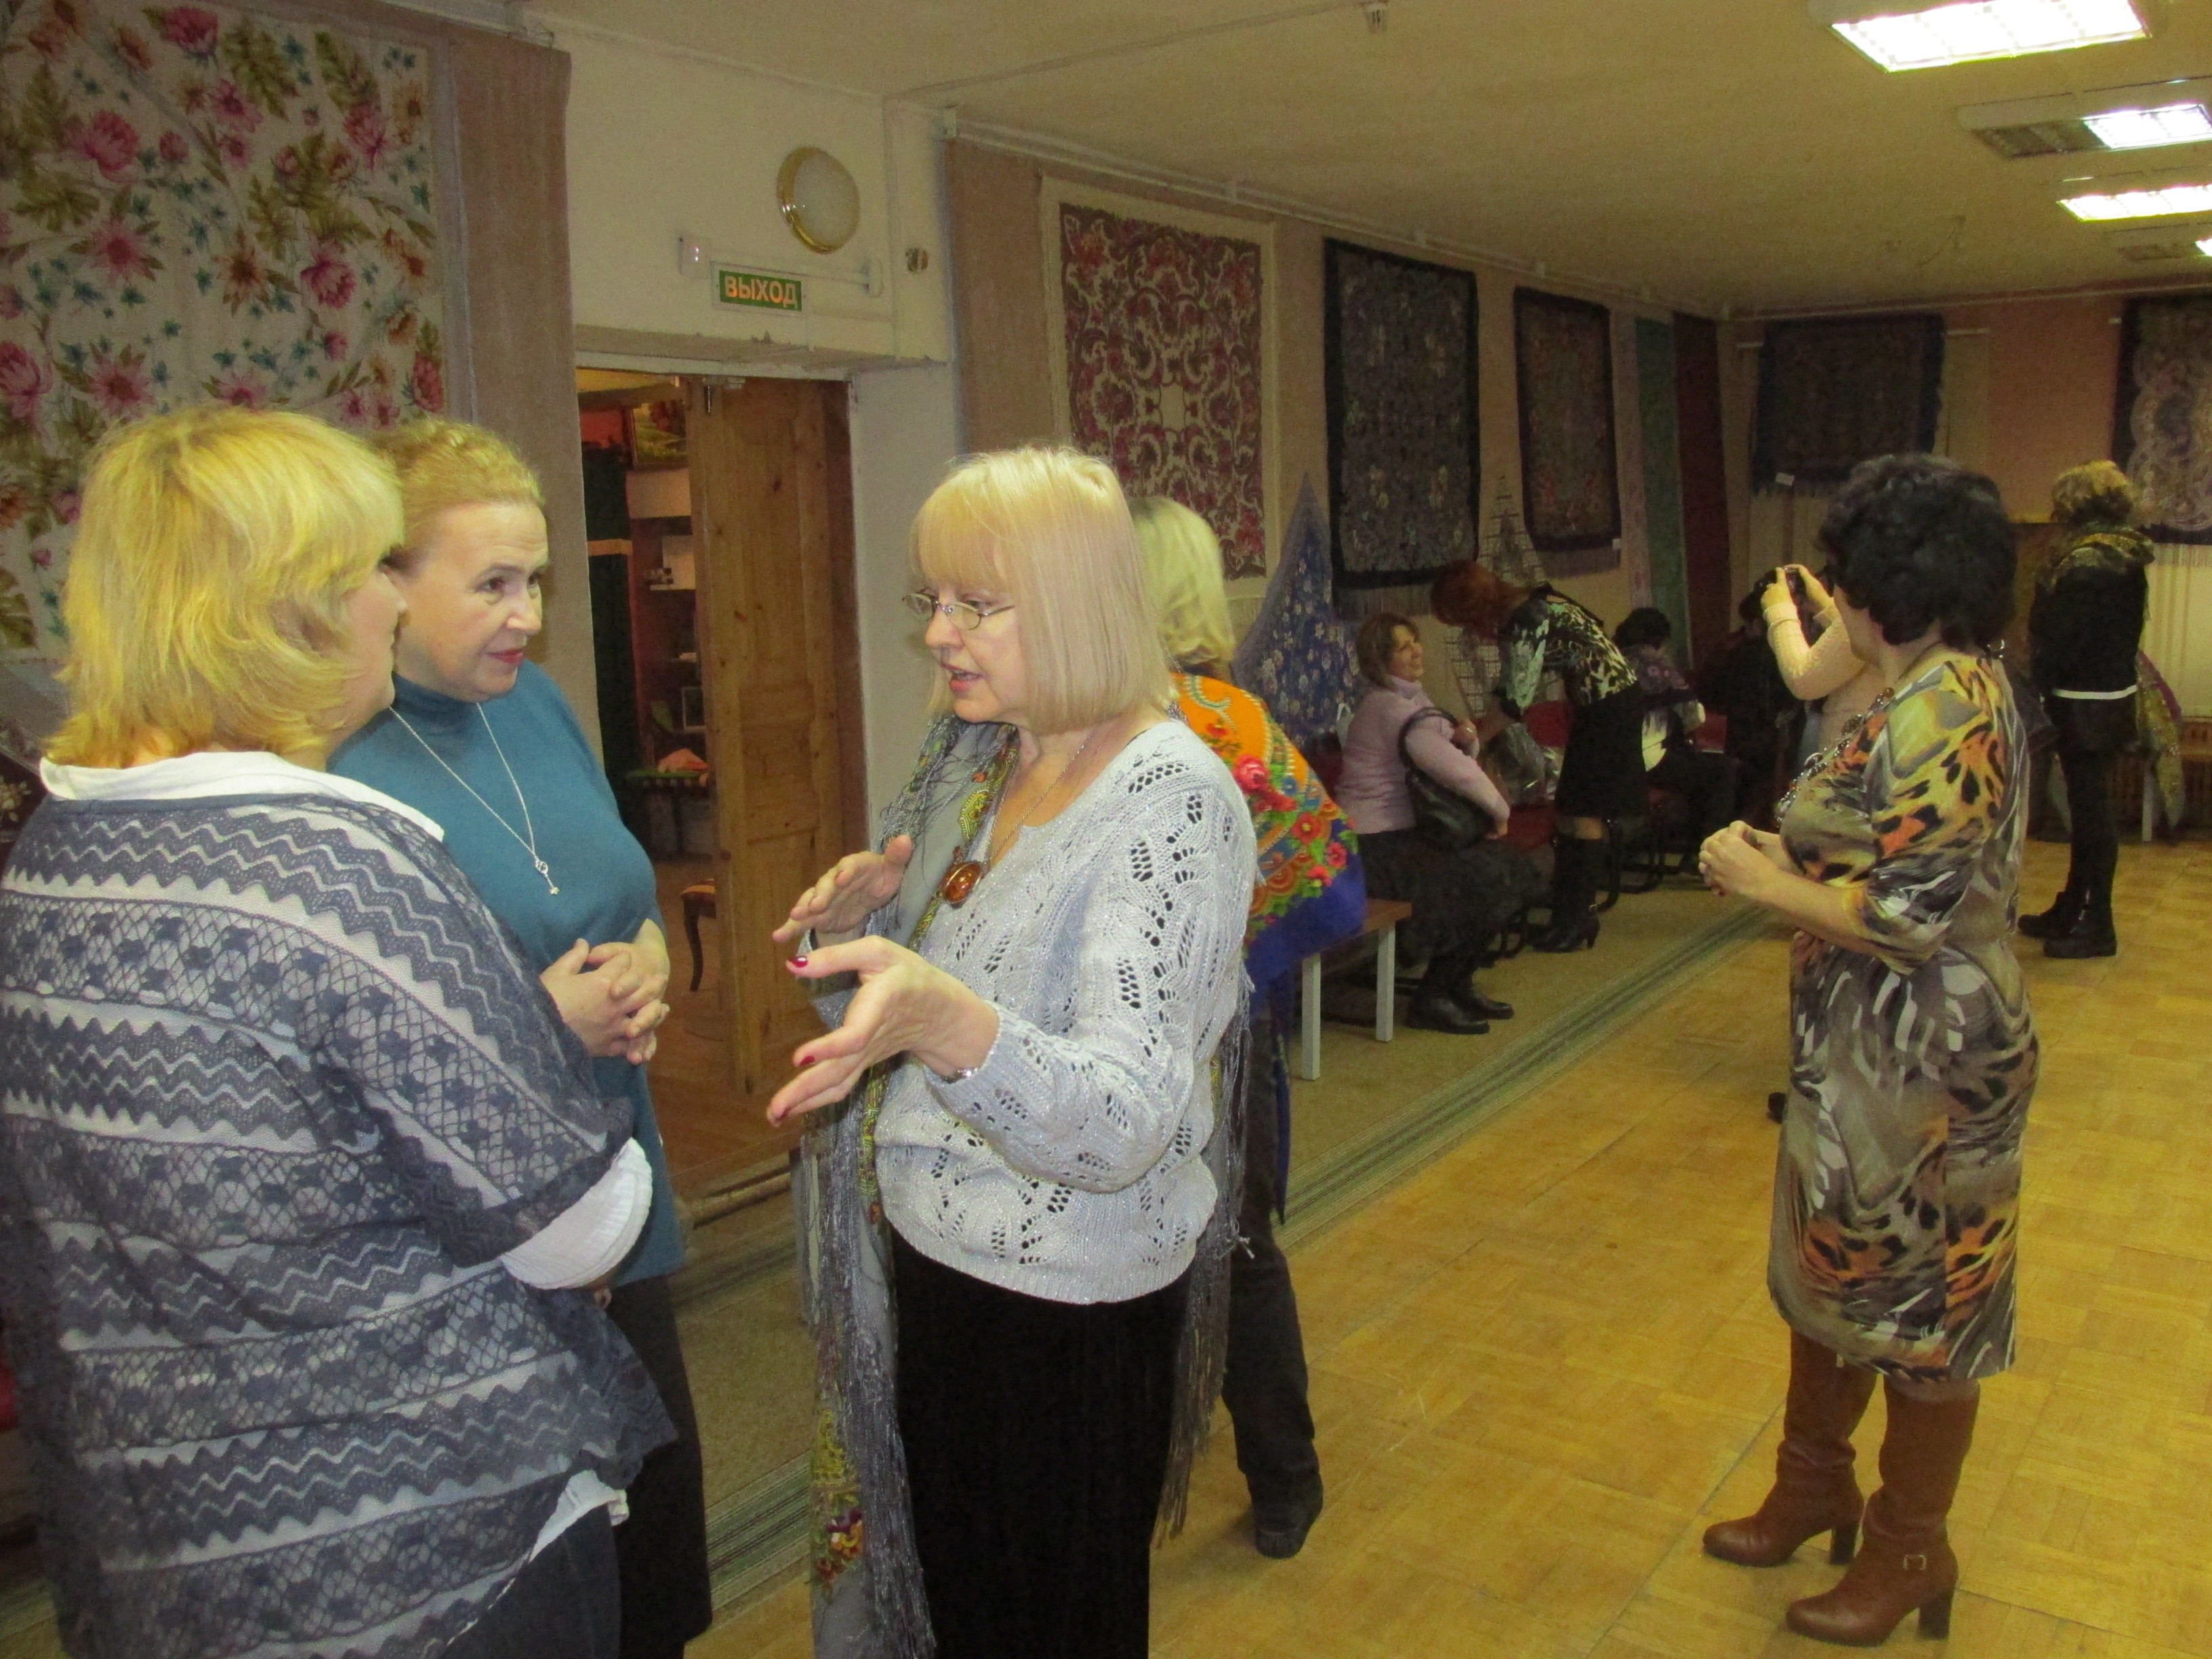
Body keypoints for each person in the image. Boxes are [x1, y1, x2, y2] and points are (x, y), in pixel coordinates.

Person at [0, 405, 670, 1659]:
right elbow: (578, 1224)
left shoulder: (57, 842)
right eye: (370, 567)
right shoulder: (338, 859)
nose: (389, 600)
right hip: (416, 1544)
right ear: (289, 610)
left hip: (174, 1542)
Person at [770, 449, 1254, 1659]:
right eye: (931, 601)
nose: (939, 634)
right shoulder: (988, 759)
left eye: (975, 605)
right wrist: (871, 928)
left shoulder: (1166, 800)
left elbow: (1123, 1120)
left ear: (1079, 602)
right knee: (965, 1610)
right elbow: (966, 984)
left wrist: (937, 1019)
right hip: (945, 1274)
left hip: (1061, 1323)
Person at [329, 420, 708, 1659]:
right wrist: (539, 1020)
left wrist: (648, 953)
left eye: (535, 580)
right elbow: (348, 1050)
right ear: (386, 583)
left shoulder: (531, 702)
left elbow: (615, 883)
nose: (528, 617)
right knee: (543, 1589)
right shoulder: (336, 758)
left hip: (614, 1181)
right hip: (481, 1245)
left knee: (653, 1557)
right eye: (492, 583)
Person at [1698, 455, 2034, 1648]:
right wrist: (1786, 860)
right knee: (1834, 1271)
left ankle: (1909, 1547)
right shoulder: (1912, 683)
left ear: (1888, 587)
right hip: (1862, 1051)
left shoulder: (1950, 705)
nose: (1832, 594)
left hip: (1931, 1060)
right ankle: (1814, 1486)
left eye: (1842, 576)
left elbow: (1909, 917)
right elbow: (1871, 848)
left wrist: (1762, 882)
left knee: (1925, 1309)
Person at [1133, 495, 1364, 1559]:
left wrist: (1229, 969)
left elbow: (1328, 880)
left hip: (1215, 1048)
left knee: (1228, 1250)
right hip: (1103, 1051)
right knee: (1166, 1256)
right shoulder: (1070, 723)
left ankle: (1284, 1476)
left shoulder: (1220, 721)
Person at [1337, 612, 1540, 1033]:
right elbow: (1458, 773)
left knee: (1497, 873)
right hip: (1375, 845)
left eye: (1416, 641)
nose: (1417, 651)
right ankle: (1434, 995)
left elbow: (1450, 751)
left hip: (1399, 836)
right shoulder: (1392, 708)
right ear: (1381, 660)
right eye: (1403, 647)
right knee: (1485, 879)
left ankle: (1455, 983)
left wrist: (1468, 738)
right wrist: (1501, 813)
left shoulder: (1410, 701)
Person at [1431, 564, 1643, 951]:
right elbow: (1510, 686)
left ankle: (1577, 918)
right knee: (1570, 811)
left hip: (1609, 708)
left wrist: (1474, 741)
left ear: (1475, 607)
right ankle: (1571, 913)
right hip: (1602, 705)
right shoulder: (1531, 603)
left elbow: (1516, 700)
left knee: (1583, 813)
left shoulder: (1526, 618)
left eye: (1463, 620)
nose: (1469, 631)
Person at [2018, 460, 2154, 960]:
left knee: (2092, 815)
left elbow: (2065, 640)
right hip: (2110, 695)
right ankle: (2074, 905)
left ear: (2074, 506)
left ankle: (2099, 925)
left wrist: (2039, 680)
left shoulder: (2085, 563)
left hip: (2082, 700)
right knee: (2088, 810)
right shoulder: (2124, 553)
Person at [1615, 606, 1736, 847]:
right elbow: (1694, 716)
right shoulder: (1656, 665)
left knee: (1694, 766)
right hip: (1646, 761)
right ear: (1659, 639)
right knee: (1722, 771)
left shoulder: (1612, 660)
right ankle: (1710, 847)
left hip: (1610, 762)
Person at [1696, 579, 1803, 832]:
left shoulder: (1730, 651)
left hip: (1736, 734)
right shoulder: (1784, 654)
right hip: (1771, 735)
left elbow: (1708, 693)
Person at [1763, 562, 1883, 758]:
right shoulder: (1890, 601)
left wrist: (1779, 611)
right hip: (1869, 746)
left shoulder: (1869, 604)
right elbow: (1859, 644)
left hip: (1855, 756)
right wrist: (1825, 607)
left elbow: (1803, 679)